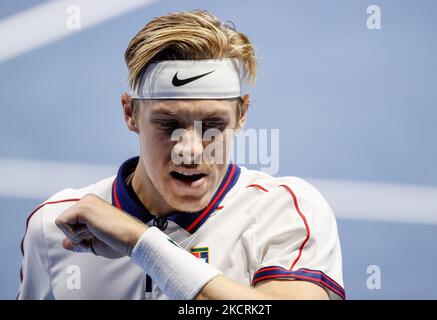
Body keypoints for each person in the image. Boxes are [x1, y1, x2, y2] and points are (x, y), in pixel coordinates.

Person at [18, 10, 345, 300]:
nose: (189, 150)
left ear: (242, 114)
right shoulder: (56, 228)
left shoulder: (284, 210)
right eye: (168, 124)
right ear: (130, 113)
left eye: (213, 125)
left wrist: (140, 242)